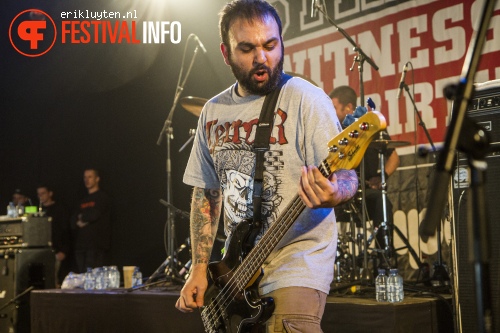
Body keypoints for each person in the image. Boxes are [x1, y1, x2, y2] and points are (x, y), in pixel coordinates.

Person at [176, 1, 358, 332]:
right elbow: (206, 193)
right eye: (247, 48)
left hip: (297, 260)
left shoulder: (307, 99)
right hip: (238, 272)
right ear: (226, 52)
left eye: (270, 45)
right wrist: (199, 268)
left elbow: (347, 175)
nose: (262, 57)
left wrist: (335, 191)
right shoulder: (213, 112)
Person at [329, 85, 400, 266]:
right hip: (338, 193)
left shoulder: (370, 127)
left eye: (334, 108)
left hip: (365, 192)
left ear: (349, 108)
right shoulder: (332, 130)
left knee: (382, 201)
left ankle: (383, 258)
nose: (331, 112)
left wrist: (381, 176)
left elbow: (394, 157)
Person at [71, 168, 111, 273]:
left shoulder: (102, 197)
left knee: (93, 277)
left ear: (97, 179)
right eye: (85, 177)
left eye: (90, 177)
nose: (87, 180)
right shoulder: (82, 200)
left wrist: (83, 218)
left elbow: (94, 215)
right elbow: (74, 220)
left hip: (96, 245)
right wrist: (83, 219)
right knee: (82, 277)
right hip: (81, 245)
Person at [37, 184, 72, 285]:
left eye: (43, 193)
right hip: (42, 252)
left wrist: (64, 250)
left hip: (57, 251)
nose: (41, 196)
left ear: (50, 193)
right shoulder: (39, 212)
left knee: (55, 279)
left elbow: (65, 231)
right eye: (38, 194)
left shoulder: (60, 209)